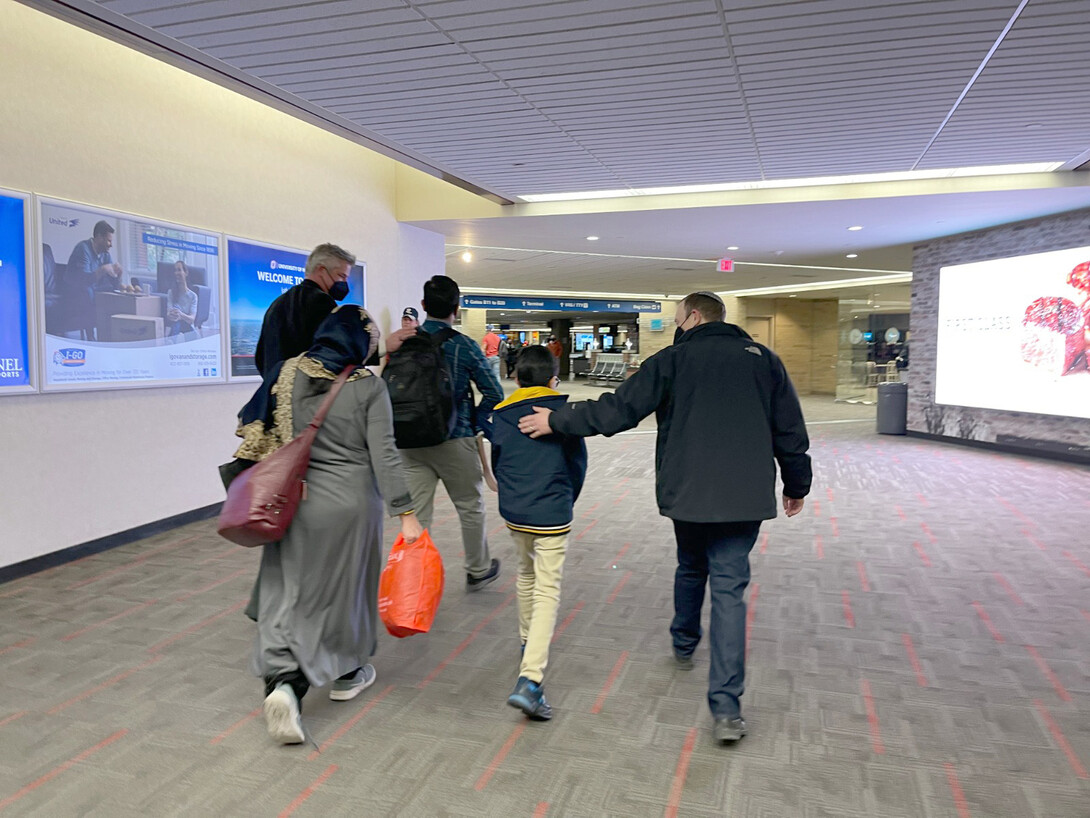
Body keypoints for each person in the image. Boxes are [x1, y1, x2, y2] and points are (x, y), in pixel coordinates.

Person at [519, 291, 811, 745]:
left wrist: (560, 420)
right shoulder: (765, 360)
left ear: (693, 317)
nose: (675, 325)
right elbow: (790, 428)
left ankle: (683, 640)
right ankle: (728, 709)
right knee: (730, 589)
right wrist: (797, 485)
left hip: (688, 490)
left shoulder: (673, 359)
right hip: (744, 495)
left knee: (692, 564)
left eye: (678, 318)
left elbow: (619, 410)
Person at [233, 306, 423, 745]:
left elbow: (252, 425)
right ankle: (345, 673)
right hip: (351, 505)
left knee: (287, 587)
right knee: (345, 591)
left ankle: (281, 678)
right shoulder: (369, 386)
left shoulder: (286, 372)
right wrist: (406, 513)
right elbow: (385, 452)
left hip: (291, 498)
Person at [484, 345, 586, 720]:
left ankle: (528, 640)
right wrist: (565, 499)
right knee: (547, 589)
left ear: (515, 378)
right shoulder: (563, 414)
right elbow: (577, 466)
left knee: (525, 575)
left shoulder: (501, 415)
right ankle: (530, 679)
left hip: (515, 511)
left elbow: (498, 462)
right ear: (553, 379)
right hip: (552, 511)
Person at [394, 275, 505, 590]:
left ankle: (413, 578)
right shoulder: (464, 346)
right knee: (470, 505)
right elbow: (495, 393)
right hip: (455, 438)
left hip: (409, 440)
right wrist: (476, 421)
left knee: (416, 513)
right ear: (456, 309)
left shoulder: (403, 342)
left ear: (424, 306)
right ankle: (477, 568)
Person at [253, 243, 357, 378]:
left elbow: (260, 358)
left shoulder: (277, 304)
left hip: (275, 393)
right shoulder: (323, 303)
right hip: (309, 394)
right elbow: (337, 355)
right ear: (321, 270)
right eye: (342, 276)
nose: (344, 282)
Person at [63, 219, 123, 340]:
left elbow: (112, 282)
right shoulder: (83, 249)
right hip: (73, 288)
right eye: (109, 241)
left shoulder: (105, 253)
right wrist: (103, 269)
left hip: (93, 286)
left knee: (111, 292)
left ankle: (111, 335)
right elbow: (83, 280)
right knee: (87, 290)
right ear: (99, 237)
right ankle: (91, 337)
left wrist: (118, 274)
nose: (111, 245)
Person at [165, 260, 198, 337]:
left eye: (179, 270)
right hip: (175, 323)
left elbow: (191, 319)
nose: (176, 273)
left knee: (185, 324)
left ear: (186, 273)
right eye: (175, 270)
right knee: (176, 322)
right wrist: (172, 315)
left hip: (188, 326)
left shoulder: (193, 296)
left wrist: (180, 314)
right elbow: (168, 314)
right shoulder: (171, 292)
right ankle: (172, 343)